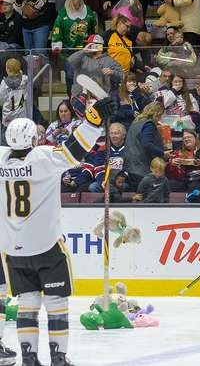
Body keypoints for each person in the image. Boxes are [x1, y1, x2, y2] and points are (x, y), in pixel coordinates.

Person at [0, 97, 114, 366]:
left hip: (13, 249)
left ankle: (29, 357)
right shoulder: (42, 159)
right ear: (33, 141)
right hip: (47, 245)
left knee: (27, 302)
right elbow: (75, 151)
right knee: (56, 302)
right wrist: (92, 122)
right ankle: (58, 358)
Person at [123, 101, 166, 189]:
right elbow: (146, 144)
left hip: (130, 165)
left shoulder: (136, 122)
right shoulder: (149, 124)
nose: (160, 119)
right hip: (141, 167)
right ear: (157, 114)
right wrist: (162, 153)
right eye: (160, 115)